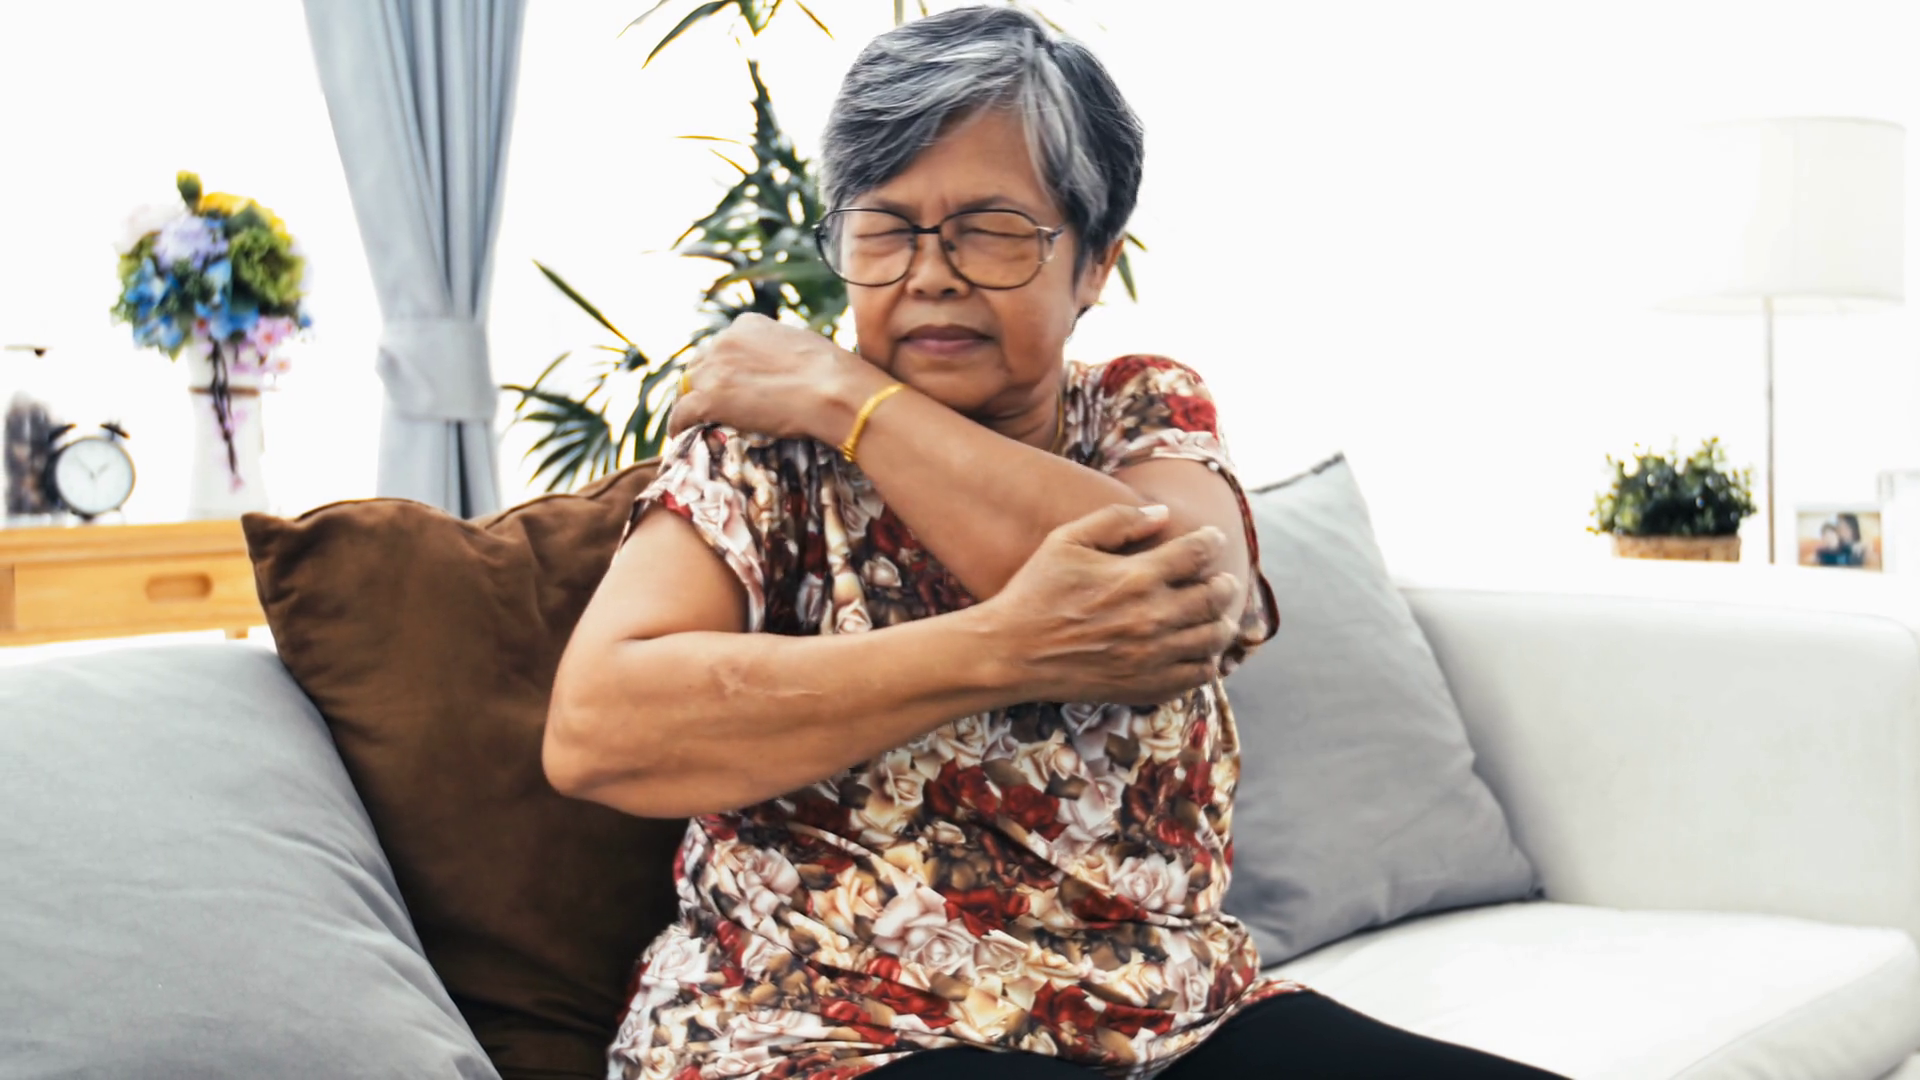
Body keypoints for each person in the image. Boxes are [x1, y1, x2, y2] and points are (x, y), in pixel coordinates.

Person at [546, 8, 1570, 1079]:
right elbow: (597, 728)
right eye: (885, 230)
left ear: (1093, 265)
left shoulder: (1137, 413)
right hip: (818, 1027)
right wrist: (1003, 648)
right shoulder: (766, 456)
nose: (930, 274)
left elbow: (1184, 598)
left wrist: (849, 394)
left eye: (990, 230)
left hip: (1166, 1025)